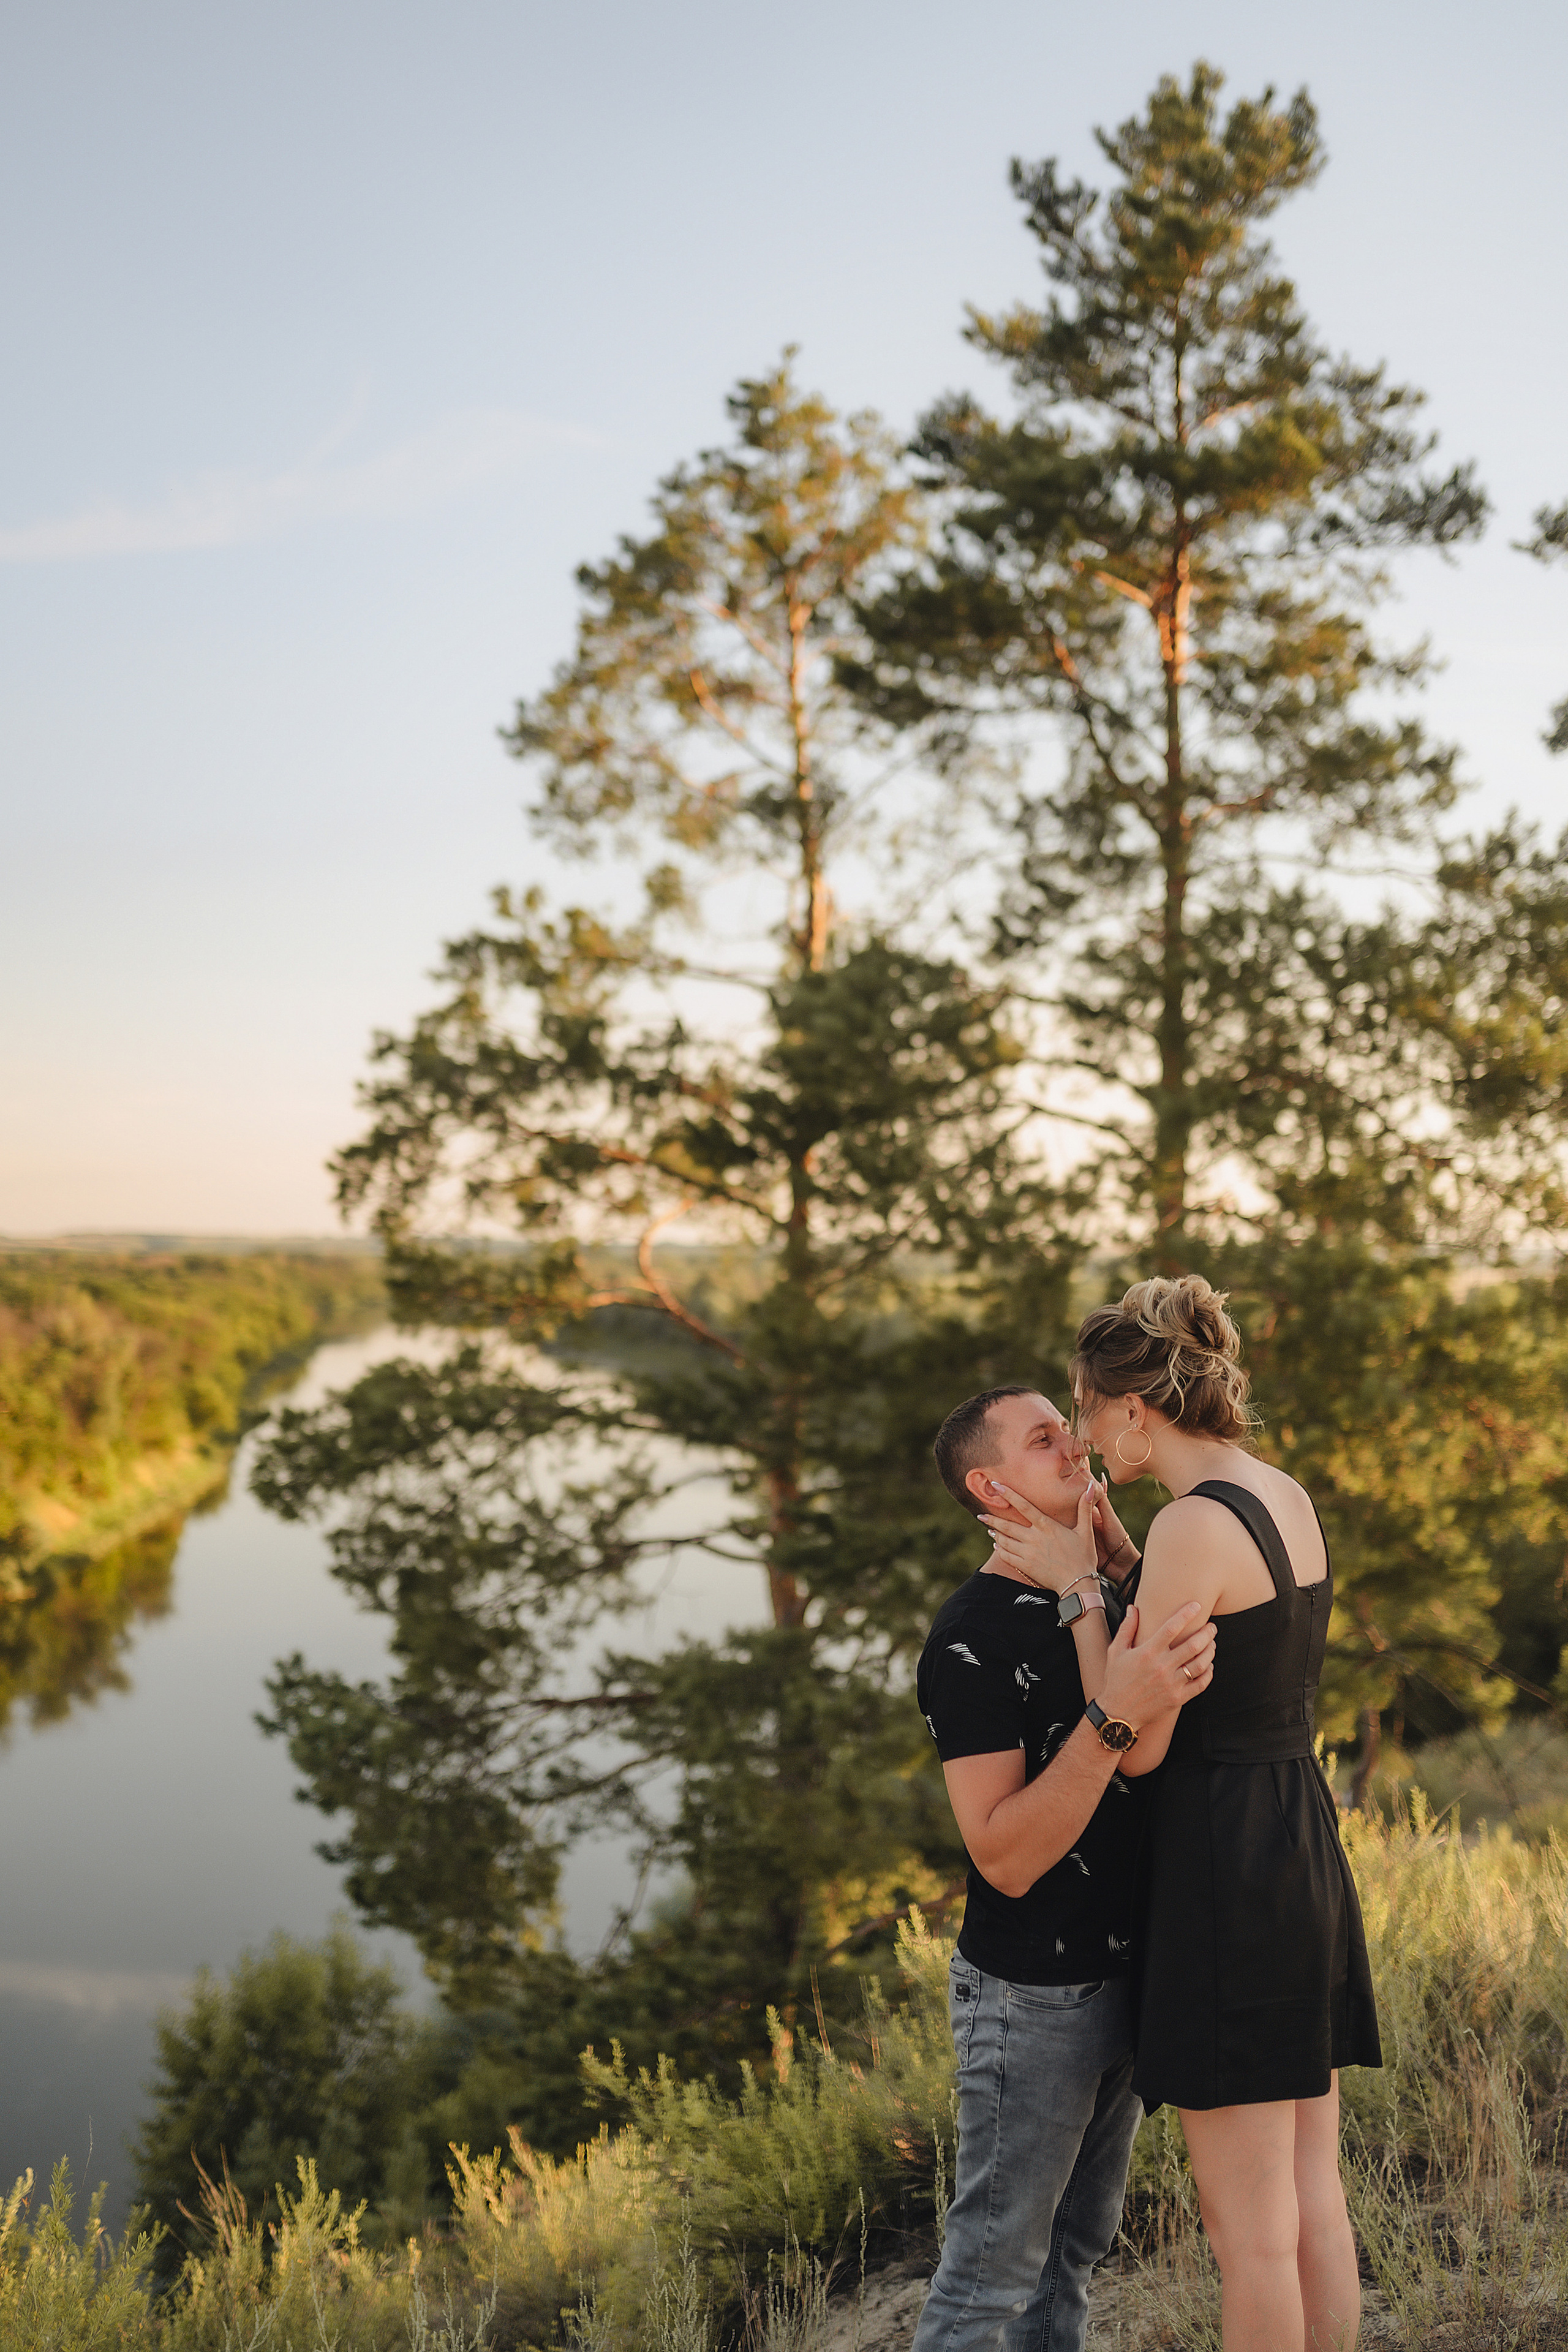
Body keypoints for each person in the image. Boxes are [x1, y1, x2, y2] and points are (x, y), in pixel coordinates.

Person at [986, 1282, 1382, 2352]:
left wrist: (1080, 1593)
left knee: (1243, 2226)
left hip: (1223, 1871)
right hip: (1300, 1838)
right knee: (1312, 2189)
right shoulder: (1276, 1492)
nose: (1078, 1436)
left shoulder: (1186, 1527)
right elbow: (1233, 1647)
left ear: (1131, 1408)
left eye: (1083, 1409)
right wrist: (1124, 1567)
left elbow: (1144, 1739)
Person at [914, 1384, 1219, 2352]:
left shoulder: (1113, 1592)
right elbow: (1003, 1855)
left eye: (1069, 1429)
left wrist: (1107, 1574)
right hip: (1032, 2000)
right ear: (989, 1485)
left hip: (1132, 1974)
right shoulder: (970, 1639)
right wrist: (1111, 1720)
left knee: (1073, 2257)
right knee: (991, 2277)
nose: (1077, 1447)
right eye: (1045, 1441)